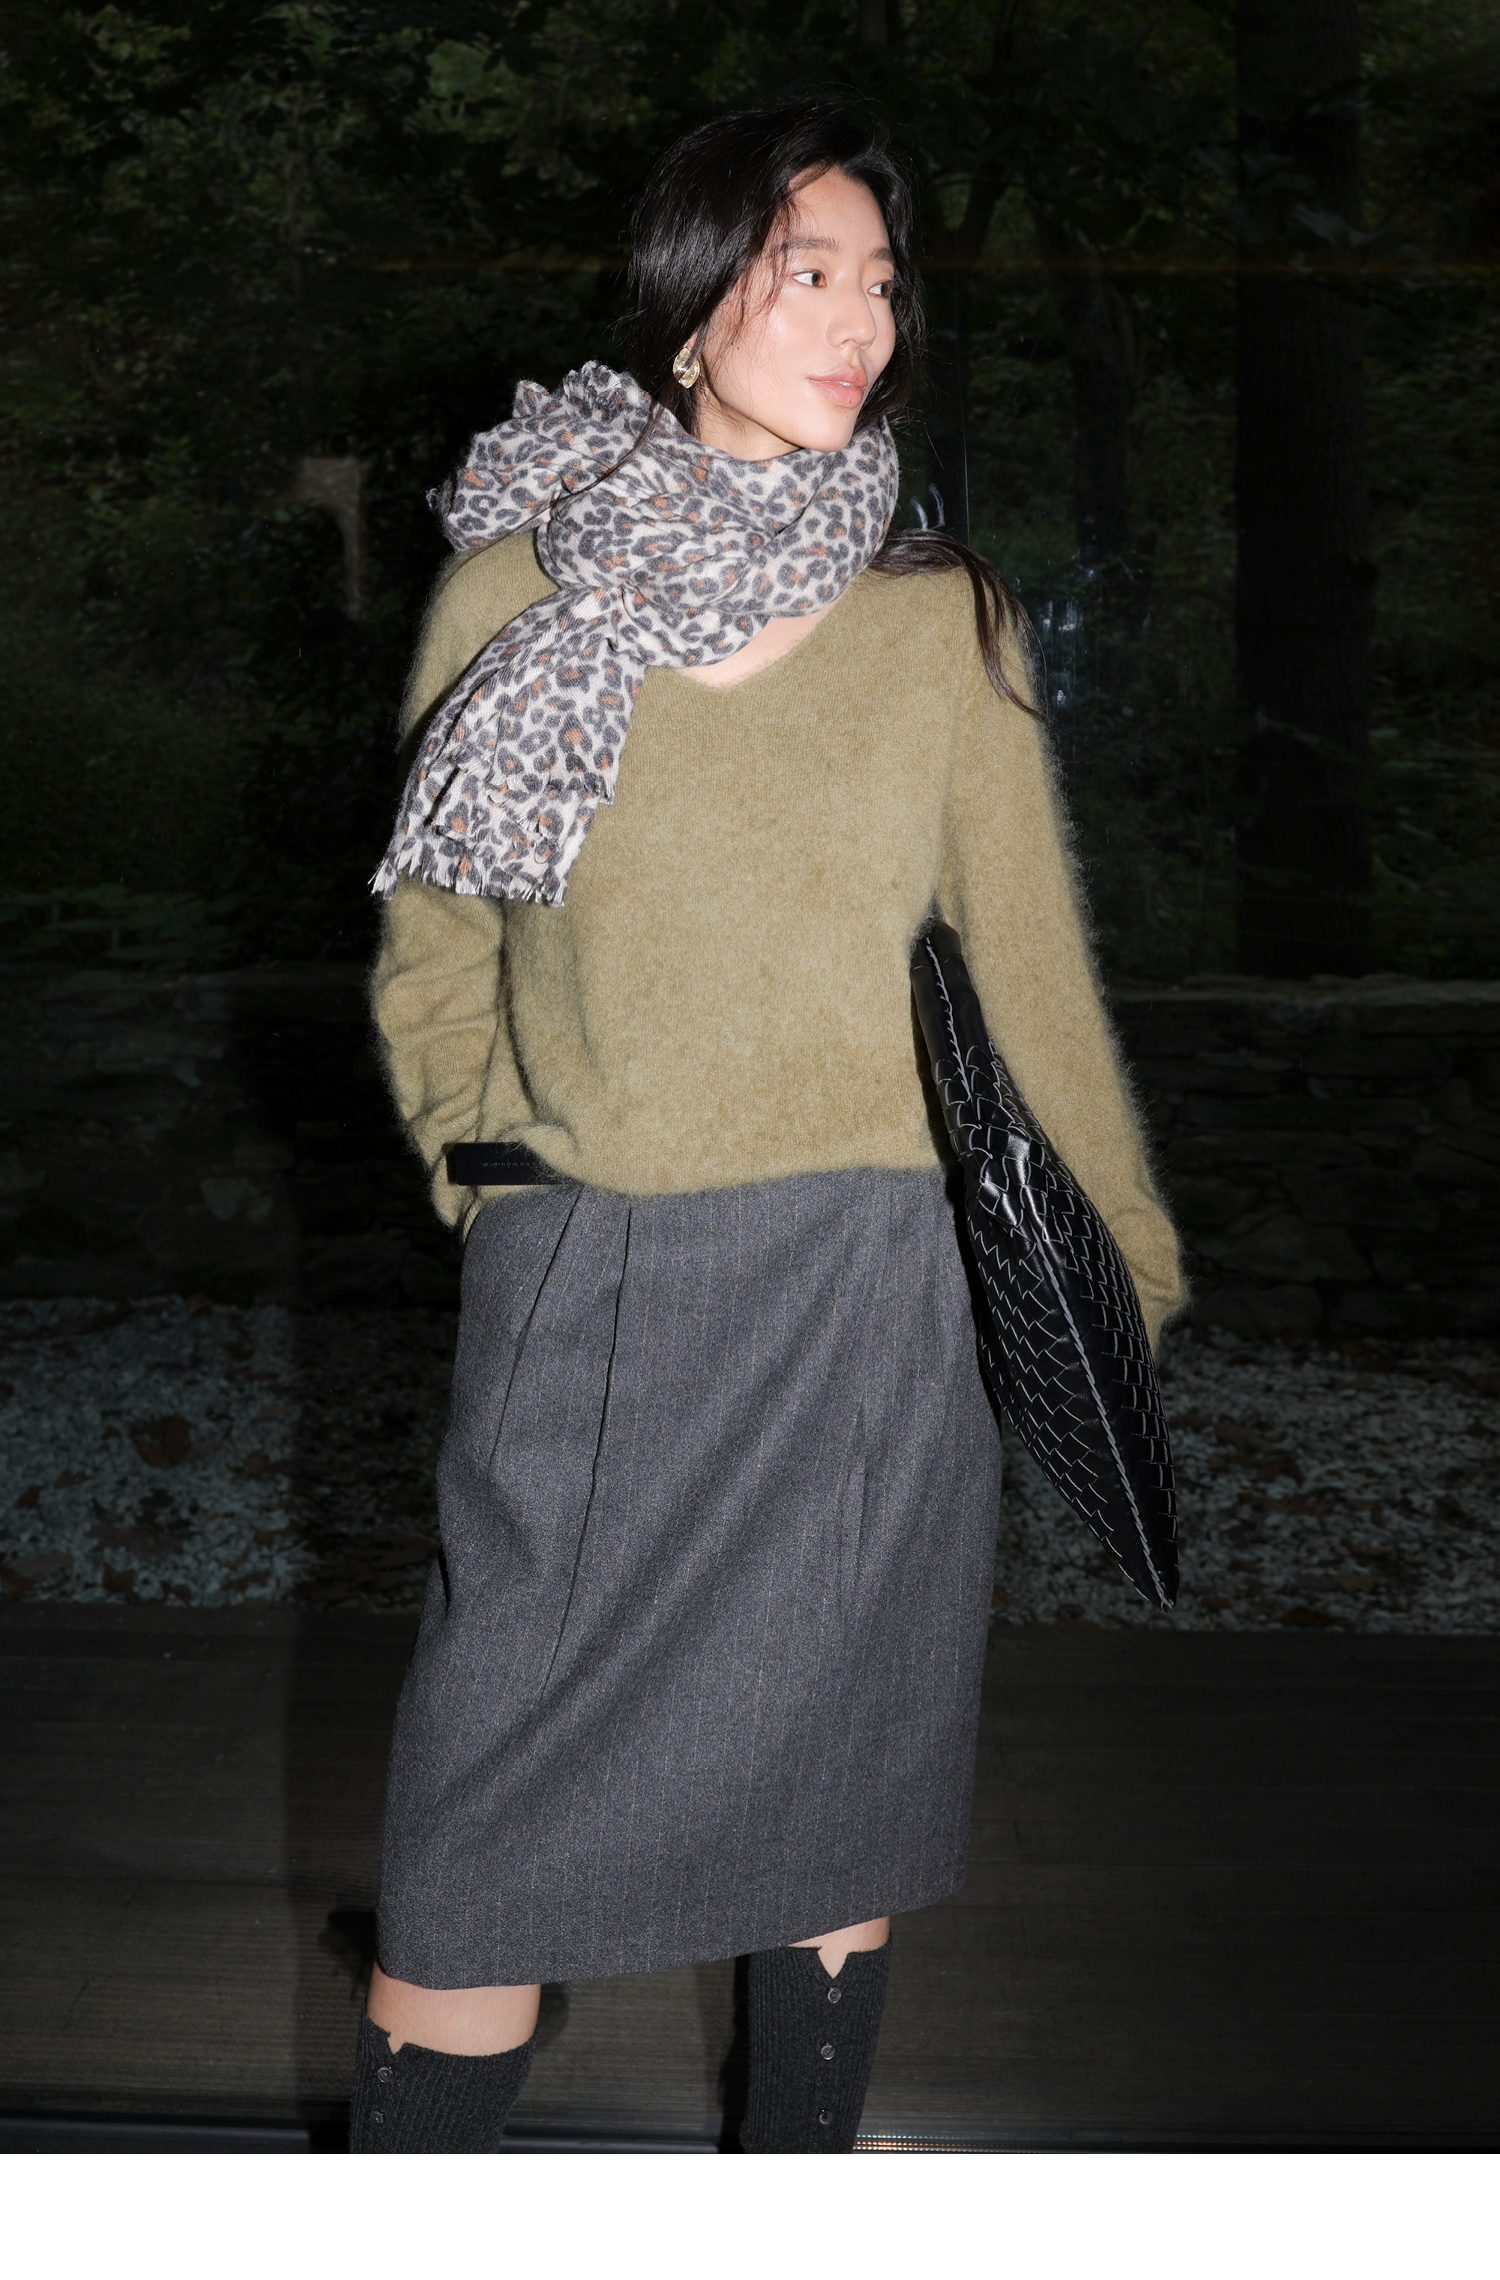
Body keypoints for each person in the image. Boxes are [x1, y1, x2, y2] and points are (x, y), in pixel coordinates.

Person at [352, 96, 1184, 2155]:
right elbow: (436, 948)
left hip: (871, 1300)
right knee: (468, 1843)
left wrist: (1124, 1261)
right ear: (693, 299)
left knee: (835, 1799)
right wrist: (490, 1183)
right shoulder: (513, 597)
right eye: (809, 272)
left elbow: (1032, 970)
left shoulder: (942, 621)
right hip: (592, 1284)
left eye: (881, 282)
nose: (858, 322)